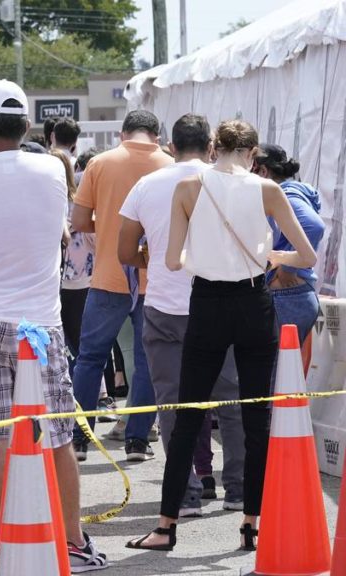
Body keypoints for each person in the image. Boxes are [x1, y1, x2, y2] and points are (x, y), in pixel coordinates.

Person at [0, 80, 108, 575]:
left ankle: (9, 544)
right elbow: (59, 228)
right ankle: (72, 542)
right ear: (27, 126)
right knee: (56, 435)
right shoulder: (53, 168)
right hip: (39, 325)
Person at [127, 119, 316, 552]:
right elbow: (306, 255)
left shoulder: (190, 188)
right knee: (255, 417)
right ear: (252, 154)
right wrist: (268, 255)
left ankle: (165, 525)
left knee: (188, 413)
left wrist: (205, 255)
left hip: (208, 303)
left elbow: (172, 261)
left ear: (215, 148)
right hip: (254, 302)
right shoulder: (267, 190)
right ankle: (251, 522)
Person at [117, 113, 247, 517]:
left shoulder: (146, 186)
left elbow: (123, 251)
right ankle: (240, 488)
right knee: (233, 400)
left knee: (173, 403)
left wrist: (153, 257)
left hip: (165, 306)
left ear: (170, 147)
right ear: (211, 146)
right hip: (221, 303)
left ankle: (186, 493)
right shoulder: (233, 183)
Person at [70, 109, 173, 461]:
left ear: (122, 134)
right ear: (156, 136)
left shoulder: (100, 163)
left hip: (108, 276)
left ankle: (80, 439)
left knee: (90, 358)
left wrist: (113, 227)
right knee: (146, 362)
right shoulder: (169, 165)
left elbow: (80, 221)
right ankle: (137, 441)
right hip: (154, 279)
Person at [252, 144, 325, 337]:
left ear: (263, 171)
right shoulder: (291, 192)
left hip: (286, 296)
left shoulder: (285, 195)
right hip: (291, 296)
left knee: (275, 365)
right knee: (287, 365)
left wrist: (288, 268)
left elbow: (315, 226)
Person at [56, 149, 94, 381]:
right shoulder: (76, 200)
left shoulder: (73, 202)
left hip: (75, 279)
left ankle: (90, 390)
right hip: (75, 276)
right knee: (77, 339)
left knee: (77, 339)